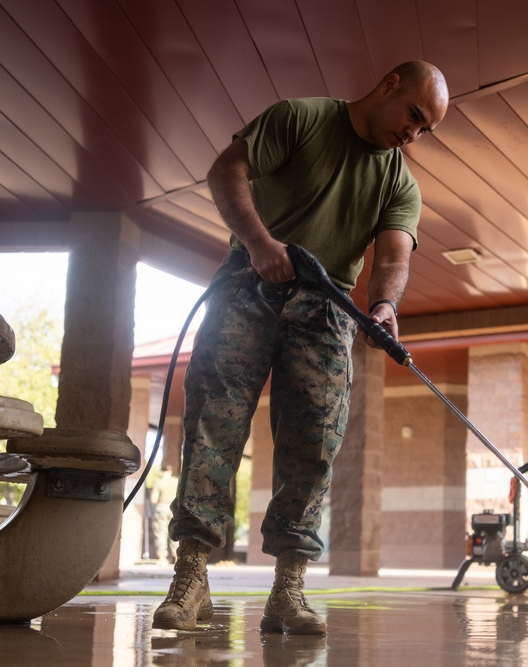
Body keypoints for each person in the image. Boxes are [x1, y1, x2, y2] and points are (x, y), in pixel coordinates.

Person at [152, 61, 449, 635]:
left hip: (326, 304)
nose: (414, 133)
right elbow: (225, 173)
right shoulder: (300, 118)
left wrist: (385, 306)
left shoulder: (398, 182)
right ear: (388, 84)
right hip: (247, 282)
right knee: (215, 420)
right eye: (414, 115)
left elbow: (392, 257)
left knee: (315, 437)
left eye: (427, 129)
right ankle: (191, 577)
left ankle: (289, 588)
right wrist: (261, 242)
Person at [150, 465, 179, 565]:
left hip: (161, 509)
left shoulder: (159, 482)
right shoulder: (176, 481)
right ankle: (177, 557)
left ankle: (162, 558)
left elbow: (153, 499)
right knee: (175, 532)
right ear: (170, 471)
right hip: (174, 509)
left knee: (160, 532)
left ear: (161, 472)